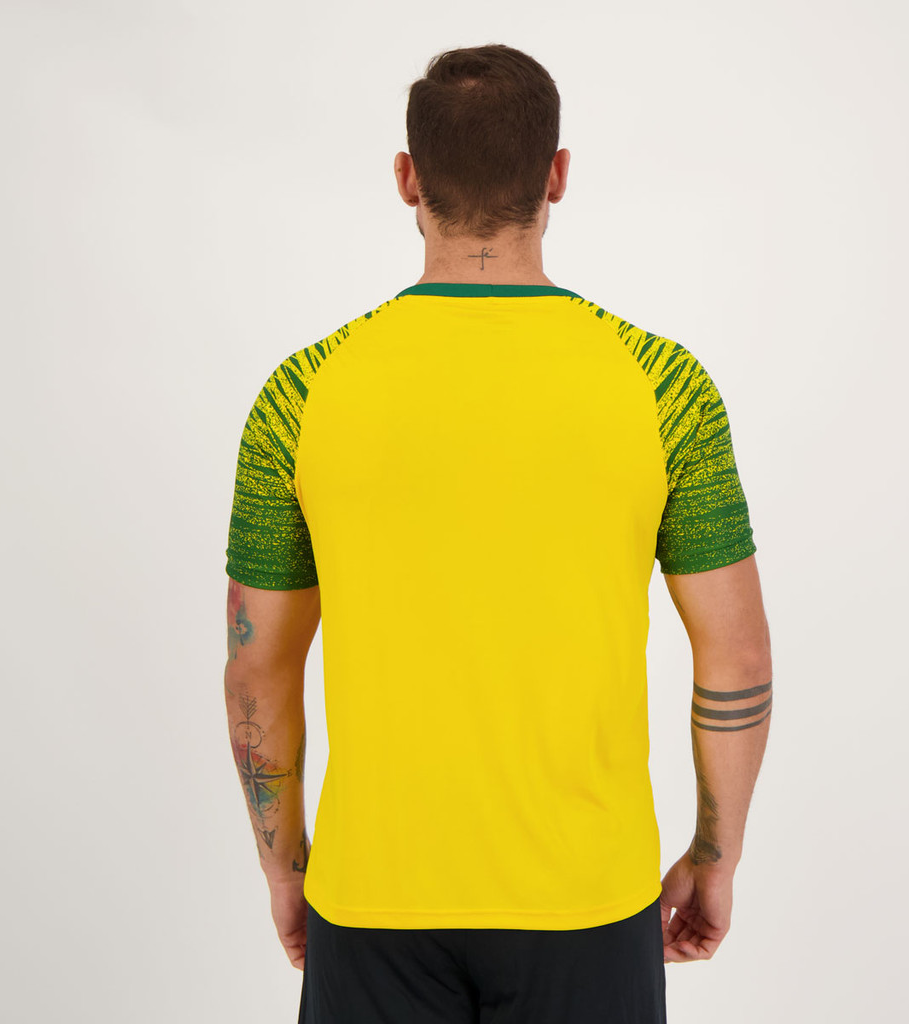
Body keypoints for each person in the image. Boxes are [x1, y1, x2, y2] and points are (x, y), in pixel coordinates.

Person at [224, 42, 772, 1024]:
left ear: (407, 177)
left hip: (373, 897)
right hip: (587, 898)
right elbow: (736, 657)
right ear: (556, 173)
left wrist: (285, 866)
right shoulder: (665, 389)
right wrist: (712, 858)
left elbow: (255, 671)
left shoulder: (300, 395)